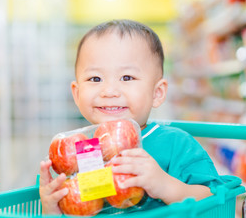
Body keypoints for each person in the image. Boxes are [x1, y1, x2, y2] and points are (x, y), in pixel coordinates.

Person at [39, 19, 222, 214]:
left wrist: (166, 186)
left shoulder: (176, 144)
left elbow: (217, 200)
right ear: (76, 94)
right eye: (95, 79)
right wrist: (53, 208)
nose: (109, 91)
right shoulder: (77, 153)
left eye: (127, 78)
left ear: (157, 93)